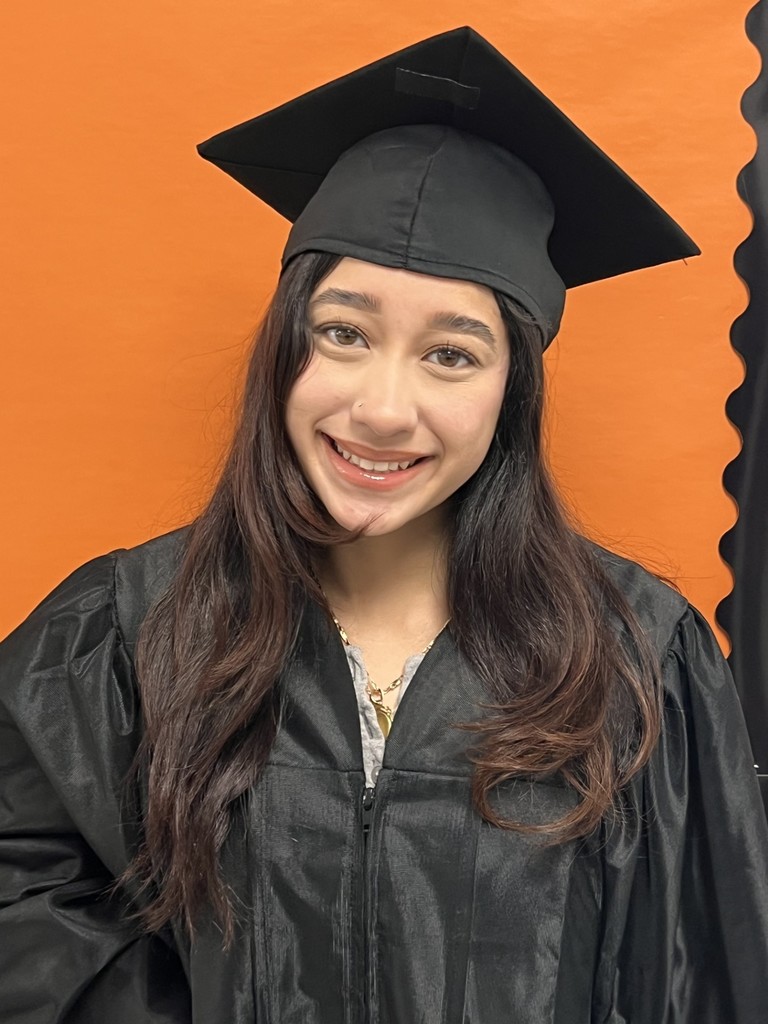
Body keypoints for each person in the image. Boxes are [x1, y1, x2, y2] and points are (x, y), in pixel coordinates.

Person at [1, 25, 767, 1024]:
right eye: (345, 334)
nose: (382, 408)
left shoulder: (633, 662)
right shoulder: (123, 635)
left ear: (511, 392)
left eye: (451, 354)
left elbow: (700, 980)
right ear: (287, 351)